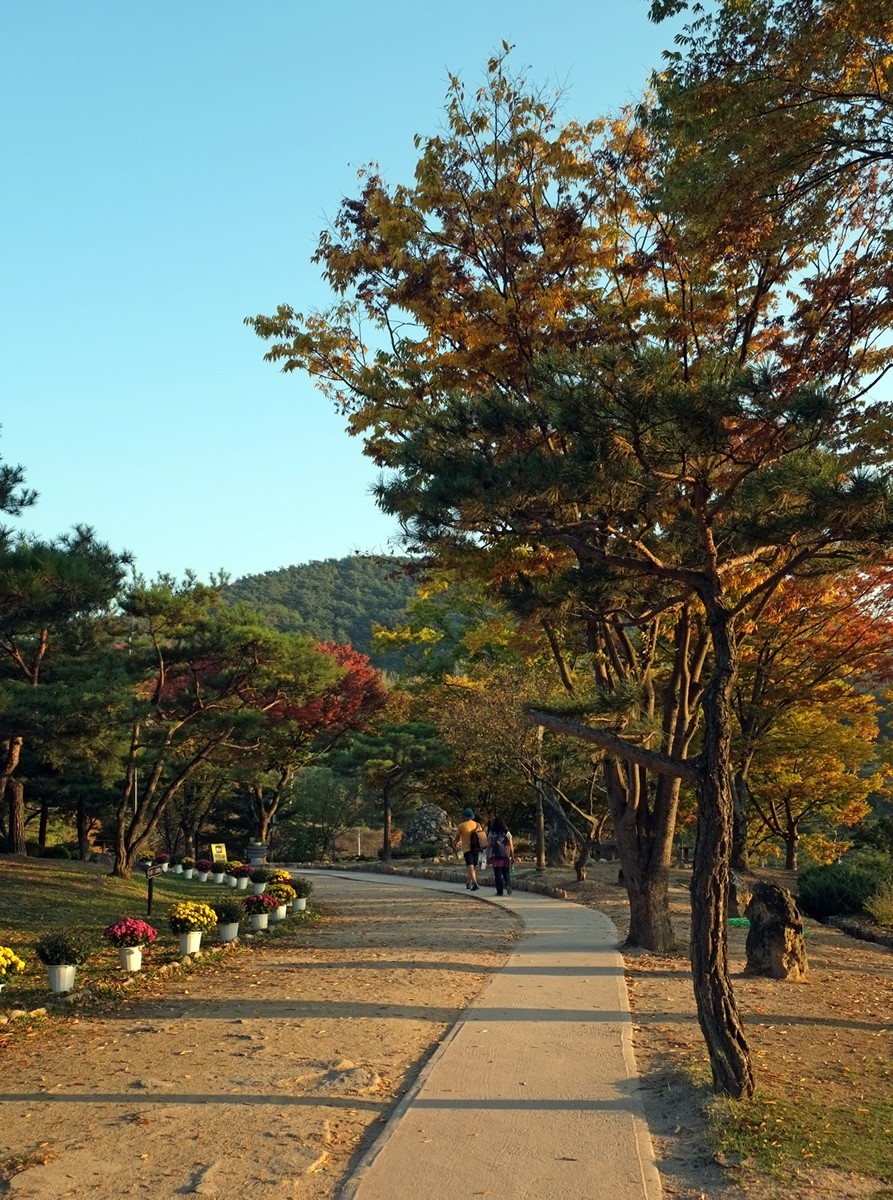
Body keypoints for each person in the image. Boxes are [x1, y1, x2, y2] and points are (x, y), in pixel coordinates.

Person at [453, 806, 486, 891]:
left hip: (467, 848)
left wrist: (455, 843)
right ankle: (469, 882)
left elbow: (456, 838)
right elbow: (480, 835)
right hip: (476, 848)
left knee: (470, 865)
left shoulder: (461, 826)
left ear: (464, 816)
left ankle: (474, 882)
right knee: (474, 866)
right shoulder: (477, 824)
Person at [487, 816, 515, 897]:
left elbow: (489, 846)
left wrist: (487, 856)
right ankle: (508, 884)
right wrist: (512, 856)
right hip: (505, 856)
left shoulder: (492, 833)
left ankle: (499, 892)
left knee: (497, 874)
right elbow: (511, 846)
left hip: (495, 856)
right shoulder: (507, 832)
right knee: (506, 872)